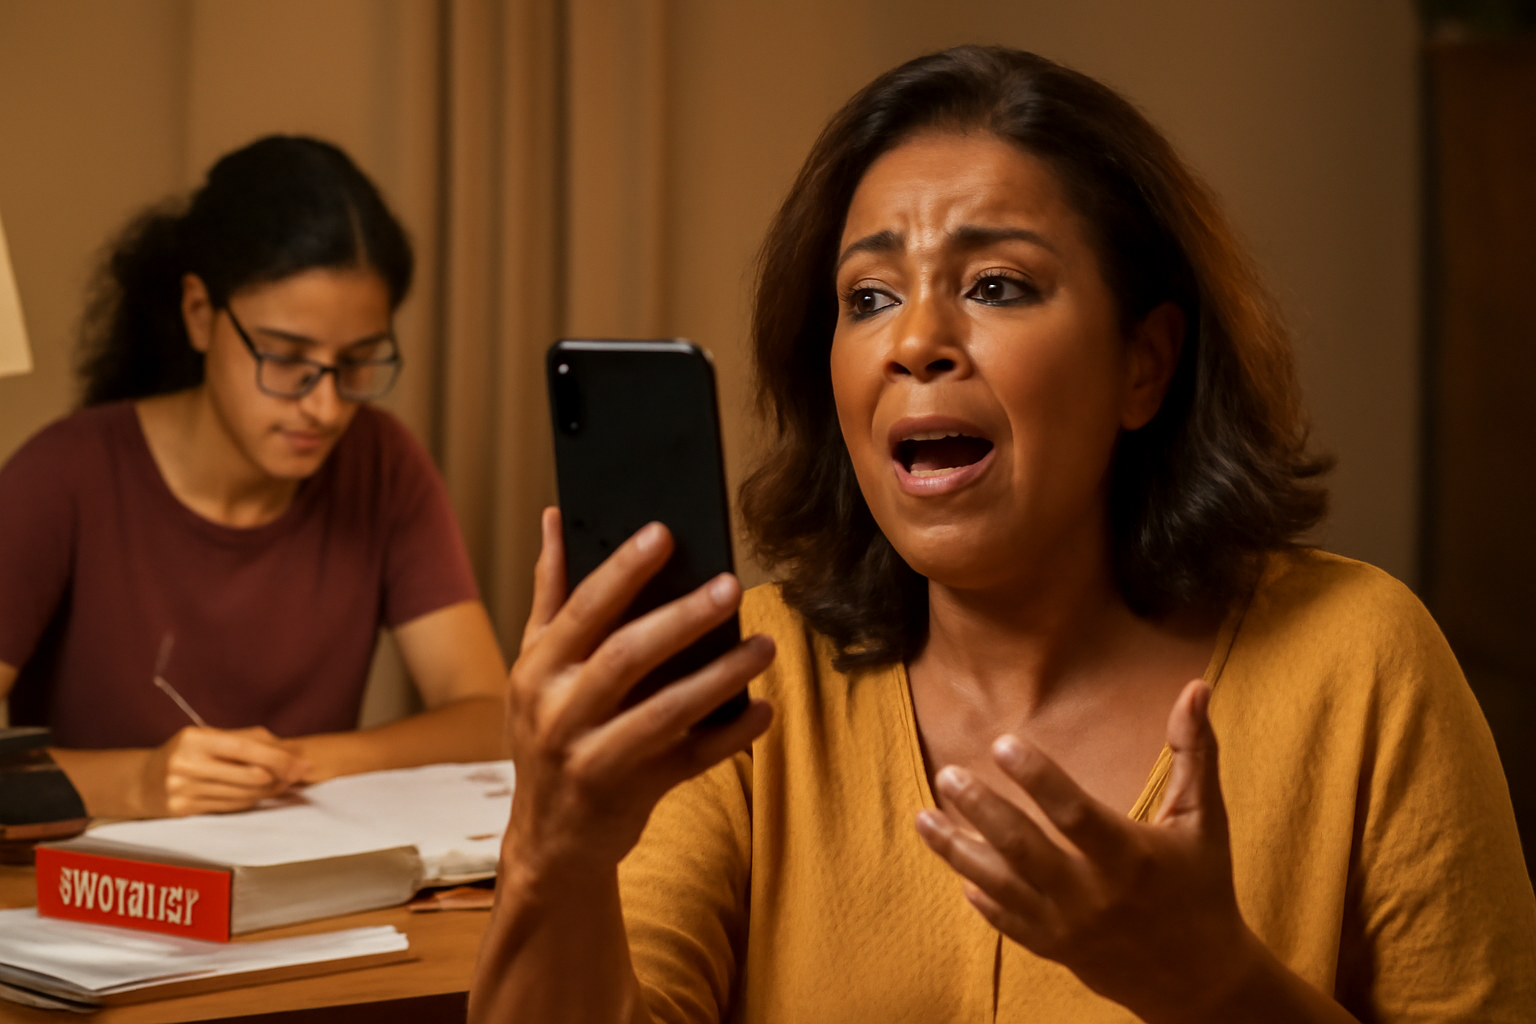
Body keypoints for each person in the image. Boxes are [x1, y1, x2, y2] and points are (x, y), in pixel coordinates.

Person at [470, 46, 1536, 1023]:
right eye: (870, 295)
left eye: (996, 286)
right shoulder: (751, 685)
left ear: (1144, 365)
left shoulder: (1362, 661)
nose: (917, 341)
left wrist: (1219, 987)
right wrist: (549, 854)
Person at [0, 136, 508, 820]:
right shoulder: (62, 476)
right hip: (88, 903)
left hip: (315, 903)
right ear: (201, 315)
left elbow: (490, 718)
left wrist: (303, 763)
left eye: (357, 362)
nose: (325, 408)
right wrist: (143, 784)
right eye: (287, 359)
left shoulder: (382, 463)